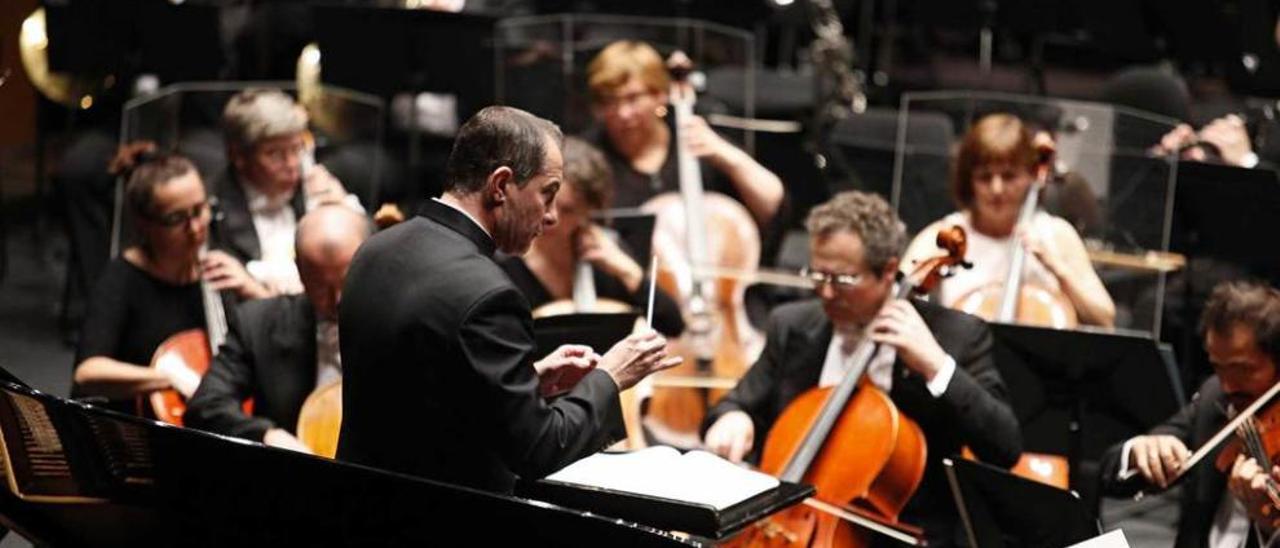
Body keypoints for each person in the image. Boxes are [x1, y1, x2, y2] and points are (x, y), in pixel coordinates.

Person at [336, 106, 680, 493]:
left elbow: (421, 398)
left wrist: (528, 381)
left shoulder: (375, 250)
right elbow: (539, 450)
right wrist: (610, 377)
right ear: (500, 186)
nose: (550, 217)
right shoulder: (489, 293)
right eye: (547, 195)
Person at [701, 191, 1022, 545]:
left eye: (841, 280)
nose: (824, 293)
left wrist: (936, 366)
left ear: (887, 272)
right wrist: (734, 419)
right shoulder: (792, 325)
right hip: (786, 525)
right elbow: (734, 404)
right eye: (817, 275)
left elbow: (1004, 447)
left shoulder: (955, 337)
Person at [73, 154, 261, 416]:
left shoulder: (218, 266)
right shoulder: (122, 279)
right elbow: (87, 372)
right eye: (176, 219)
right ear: (144, 224)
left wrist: (253, 291)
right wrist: (168, 378)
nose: (195, 229)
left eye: (200, 210)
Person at [1099, 281, 1280, 548]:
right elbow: (1111, 473)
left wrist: (1269, 525)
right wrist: (1140, 450)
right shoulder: (1213, 397)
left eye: (1243, 370)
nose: (1229, 385)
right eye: (1218, 367)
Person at [901, 113, 1116, 328]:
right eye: (985, 177)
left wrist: (1056, 267)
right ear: (969, 182)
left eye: (1009, 176)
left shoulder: (1057, 235)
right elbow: (896, 305)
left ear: (1031, 176)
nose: (997, 189)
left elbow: (1105, 319)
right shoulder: (944, 236)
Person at [186, 205, 369, 453]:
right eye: (320, 286)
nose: (337, 299)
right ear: (300, 271)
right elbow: (206, 405)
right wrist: (266, 435)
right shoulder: (257, 322)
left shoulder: (402, 322)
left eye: (347, 281)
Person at [584, 40, 785, 230]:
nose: (623, 113)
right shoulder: (588, 157)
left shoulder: (697, 141)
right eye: (609, 101)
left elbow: (773, 206)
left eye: (633, 98)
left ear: (660, 95)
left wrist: (726, 155)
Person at [498, 136, 683, 337]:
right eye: (546, 201)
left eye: (568, 210)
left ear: (588, 211)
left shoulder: (604, 252)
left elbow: (672, 325)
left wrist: (627, 271)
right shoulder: (503, 259)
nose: (551, 216)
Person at [209, 88, 362, 298]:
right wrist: (258, 294)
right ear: (238, 156)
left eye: (296, 148)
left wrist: (344, 208)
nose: (292, 164)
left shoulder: (316, 184)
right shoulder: (212, 214)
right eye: (275, 154)